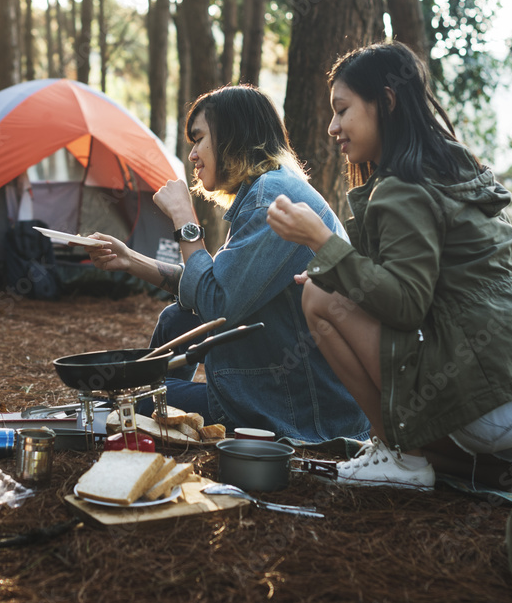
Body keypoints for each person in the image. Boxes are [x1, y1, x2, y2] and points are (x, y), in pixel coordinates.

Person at [267, 40, 512, 493]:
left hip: (493, 406)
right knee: (329, 286)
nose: (333, 127)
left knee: (318, 298)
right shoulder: (455, 168)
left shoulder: (402, 186)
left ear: (387, 101)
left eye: (343, 110)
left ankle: (402, 457)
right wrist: (338, 266)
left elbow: (405, 303)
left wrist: (321, 240)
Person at [84, 85, 369, 443]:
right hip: (293, 391)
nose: (191, 155)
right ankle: (159, 410)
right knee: (175, 319)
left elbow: (215, 301)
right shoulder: (267, 189)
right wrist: (130, 260)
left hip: (300, 410)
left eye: (199, 139)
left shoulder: (270, 199)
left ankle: (154, 410)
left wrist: (185, 218)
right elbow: (211, 285)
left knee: (132, 399)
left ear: (231, 137)